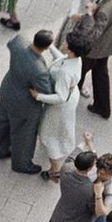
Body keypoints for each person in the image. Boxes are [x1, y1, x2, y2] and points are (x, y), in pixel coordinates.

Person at [70, 0, 112, 120]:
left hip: (94, 49)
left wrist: (88, 14)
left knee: (76, 74)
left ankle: (68, 101)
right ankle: (102, 107)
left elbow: (93, 33)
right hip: (108, 44)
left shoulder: (105, 10)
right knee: (101, 75)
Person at [32, 31, 85, 181]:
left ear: (71, 48)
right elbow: (60, 58)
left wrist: (38, 96)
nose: (64, 42)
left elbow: (60, 97)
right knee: (59, 131)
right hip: (70, 98)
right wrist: (50, 47)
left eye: (66, 42)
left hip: (60, 107)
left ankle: (55, 170)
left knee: (49, 135)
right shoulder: (76, 60)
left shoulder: (65, 74)